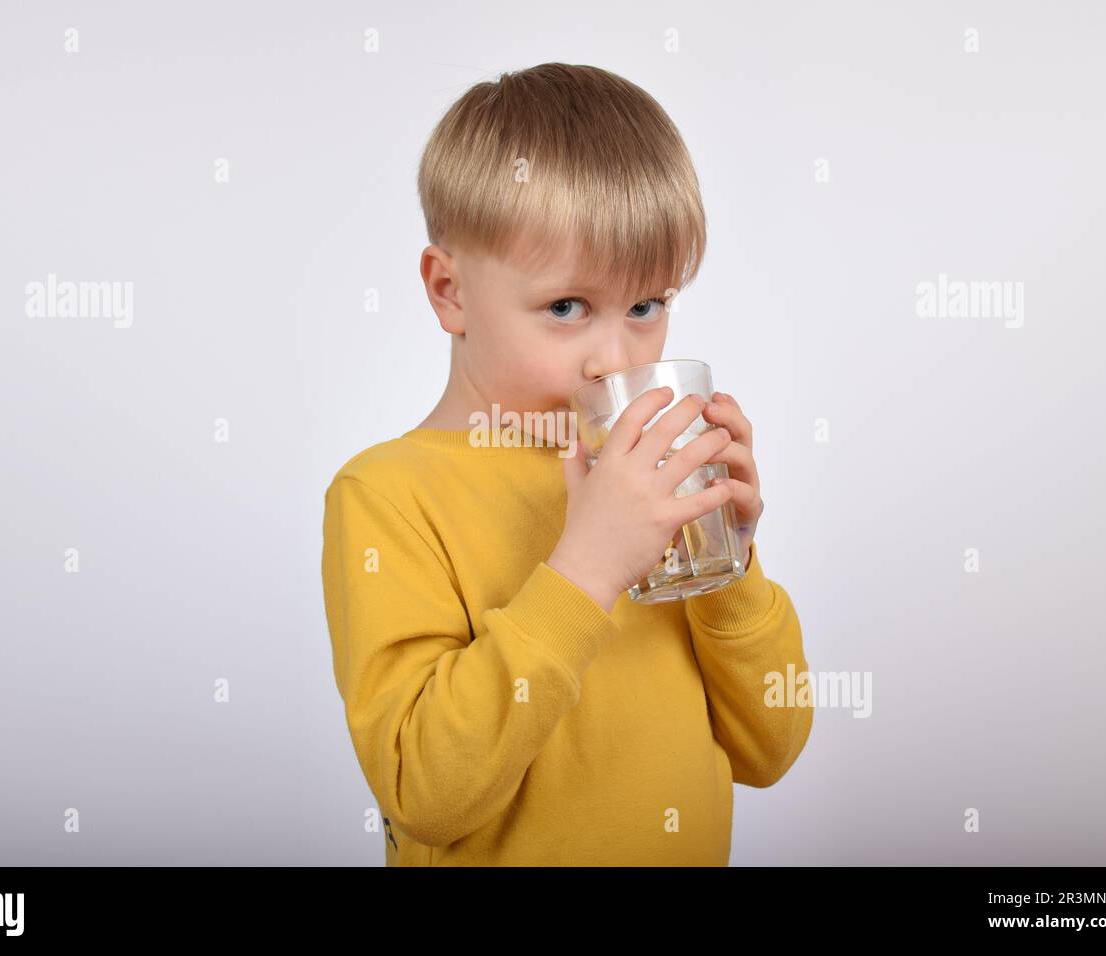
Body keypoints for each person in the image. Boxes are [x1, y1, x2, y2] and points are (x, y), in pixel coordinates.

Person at [321, 62, 813, 865]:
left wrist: (729, 568)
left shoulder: (656, 490)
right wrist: (586, 567)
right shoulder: (387, 496)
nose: (612, 362)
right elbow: (423, 796)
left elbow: (773, 749)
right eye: (565, 308)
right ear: (448, 291)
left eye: (646, 306)